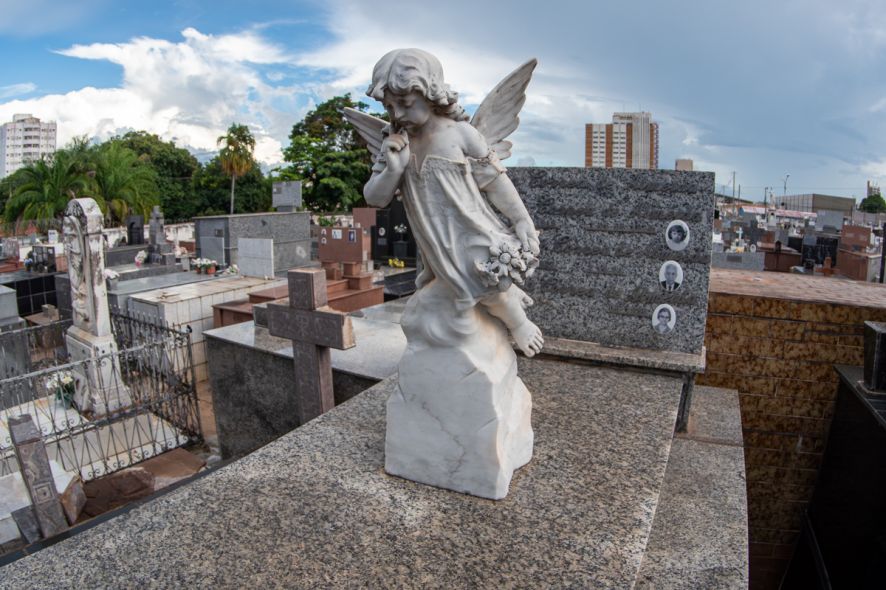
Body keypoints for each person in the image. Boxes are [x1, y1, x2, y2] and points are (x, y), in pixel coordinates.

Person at [362, 49, 543, 356]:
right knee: (467, 285)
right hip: (435, 241)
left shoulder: (460, 133)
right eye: (389, 106)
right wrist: (393, 169)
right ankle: (505, 301)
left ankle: (519, 323)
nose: (397, 114)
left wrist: (521, 219)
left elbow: (495, 181)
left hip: (470, 229)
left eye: (405, 103)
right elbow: (375, 198)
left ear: (431, 93)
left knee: (484, 280)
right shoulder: (394, 143)